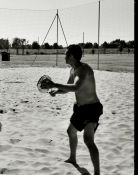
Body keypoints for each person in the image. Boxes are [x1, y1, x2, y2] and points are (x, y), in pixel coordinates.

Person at [42, 44, 103, 175]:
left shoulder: (83, 70)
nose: (64, 56)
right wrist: (56, 91)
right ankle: (73, 158)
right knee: (71, 131)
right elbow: (68, 88)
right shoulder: (72, 70)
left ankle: (97, 173)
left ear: (72, 56)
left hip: (92, 108)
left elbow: (75, 87)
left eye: (66, 54)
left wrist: (54, 84)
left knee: (88, 140)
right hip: (81, 108)